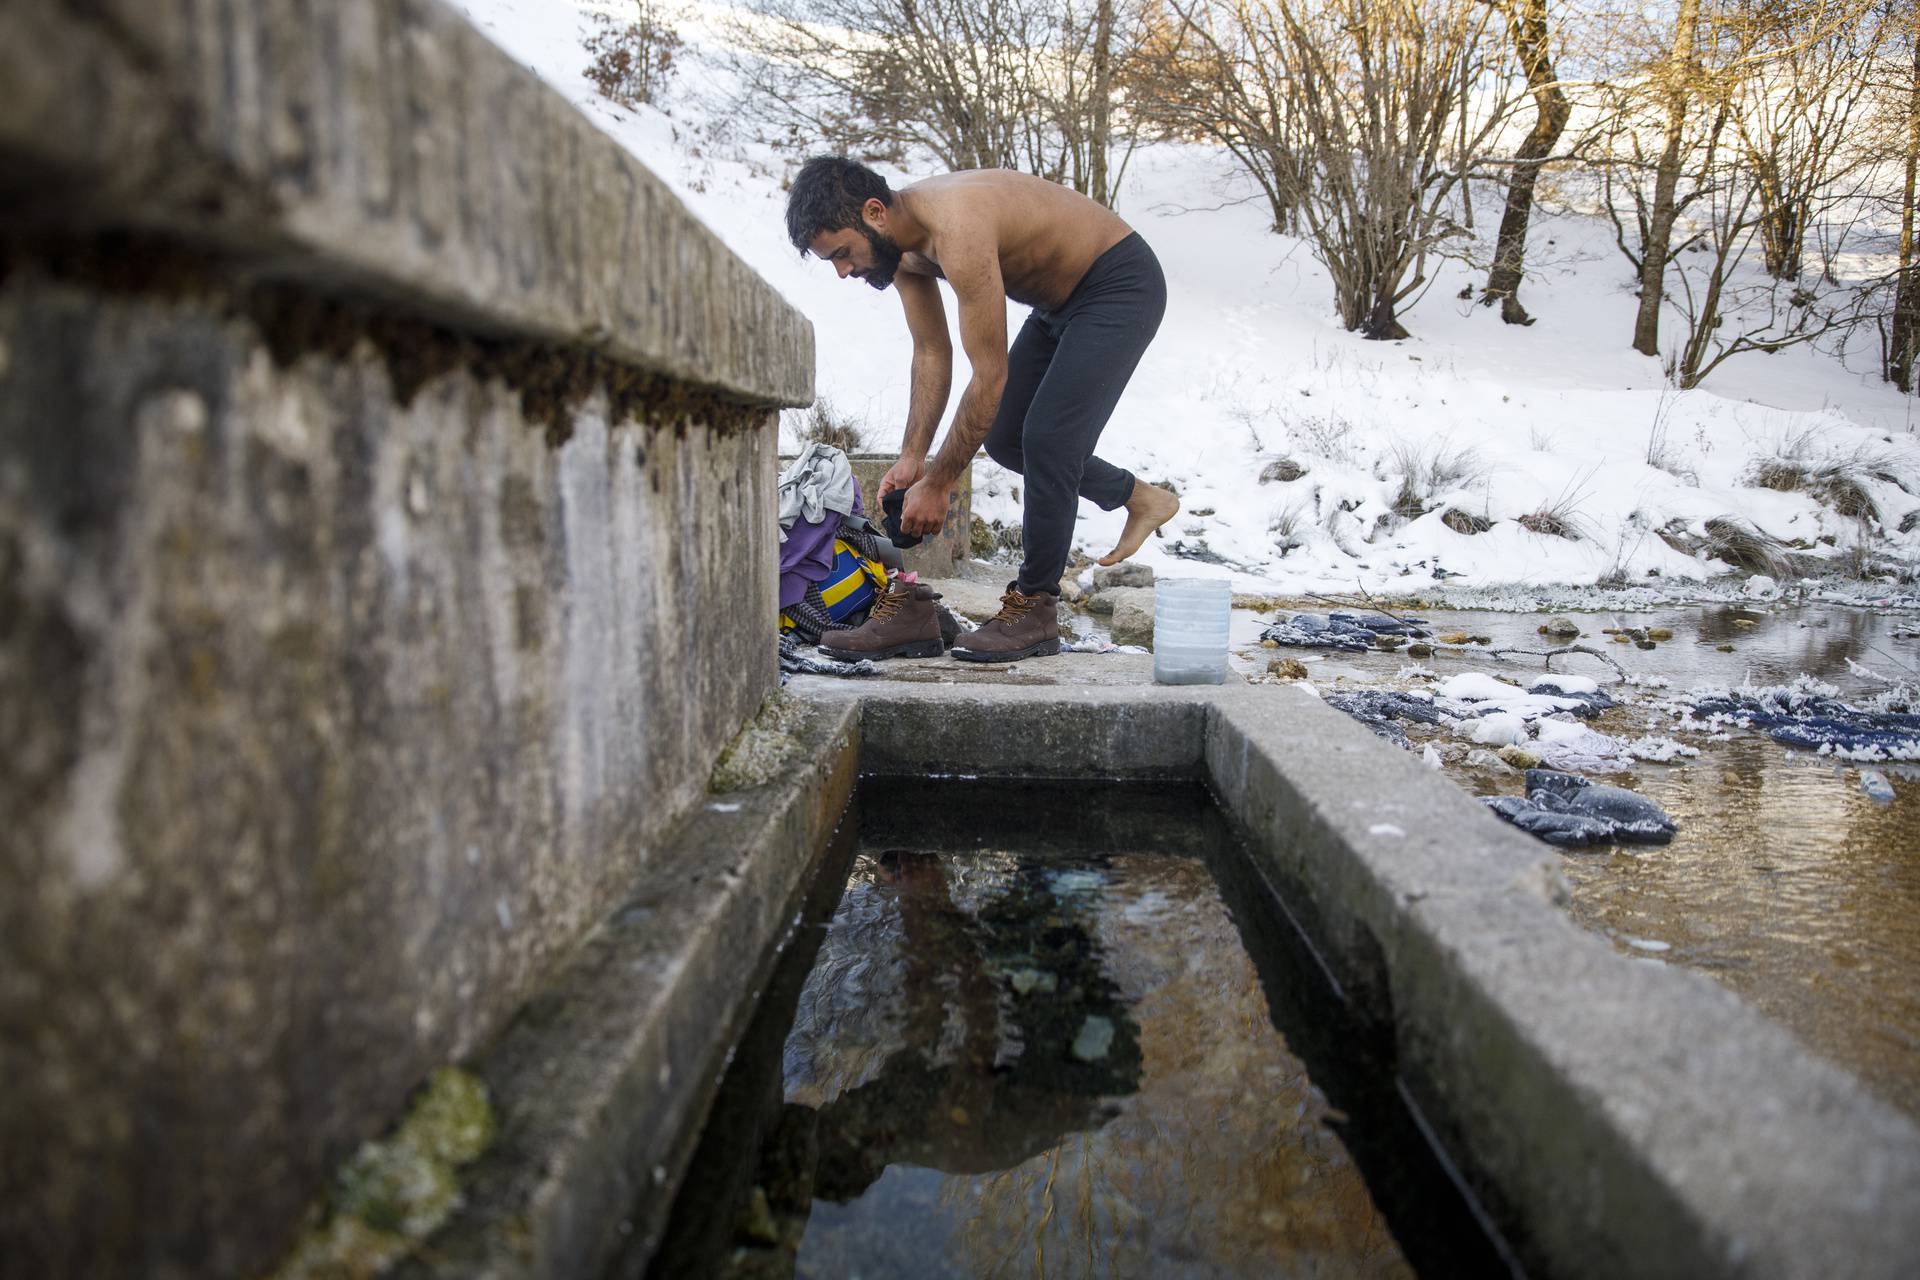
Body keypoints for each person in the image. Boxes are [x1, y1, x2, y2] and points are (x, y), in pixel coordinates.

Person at [785, 157, 1180, 661]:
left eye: (842, 253)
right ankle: (1138, 497)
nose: (843, 272)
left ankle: (1035, 608)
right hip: (1058, 303)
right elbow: (931, 354)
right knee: (1008, 437)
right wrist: (913, 459)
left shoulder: (957, 227)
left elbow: (989, 375)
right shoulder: (902, 251)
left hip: (1118, 283)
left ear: (875, 212)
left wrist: (942, 481)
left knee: (1050, 438)